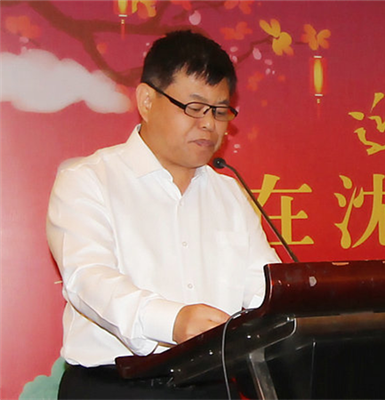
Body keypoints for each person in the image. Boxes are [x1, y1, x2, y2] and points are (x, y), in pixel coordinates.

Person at [46, 30, 281, 400]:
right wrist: (174, 321)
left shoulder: (229, 193)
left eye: (220, 111)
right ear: (146, 100)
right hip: (116, 388)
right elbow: (89, 280)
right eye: (195, 107)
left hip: (212, 386)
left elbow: (262, 287)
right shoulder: (88, 180)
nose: (209, 124)